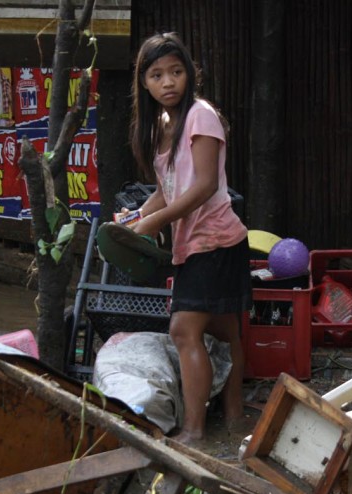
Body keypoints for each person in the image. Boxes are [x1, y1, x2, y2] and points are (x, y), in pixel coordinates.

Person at [125, 32, 251, 443]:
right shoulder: (163, 124)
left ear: (189, 74)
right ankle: (234, 422)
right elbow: (169, 186)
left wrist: (156, 222)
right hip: (197, 245)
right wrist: (137, 216)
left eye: (176, 72)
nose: (168, 82)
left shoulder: (201, 115)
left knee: (182, 330)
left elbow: (204, 186)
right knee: (225, 333)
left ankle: (195, 430)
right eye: (157, 75)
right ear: (144, 82)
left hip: (214, 242)